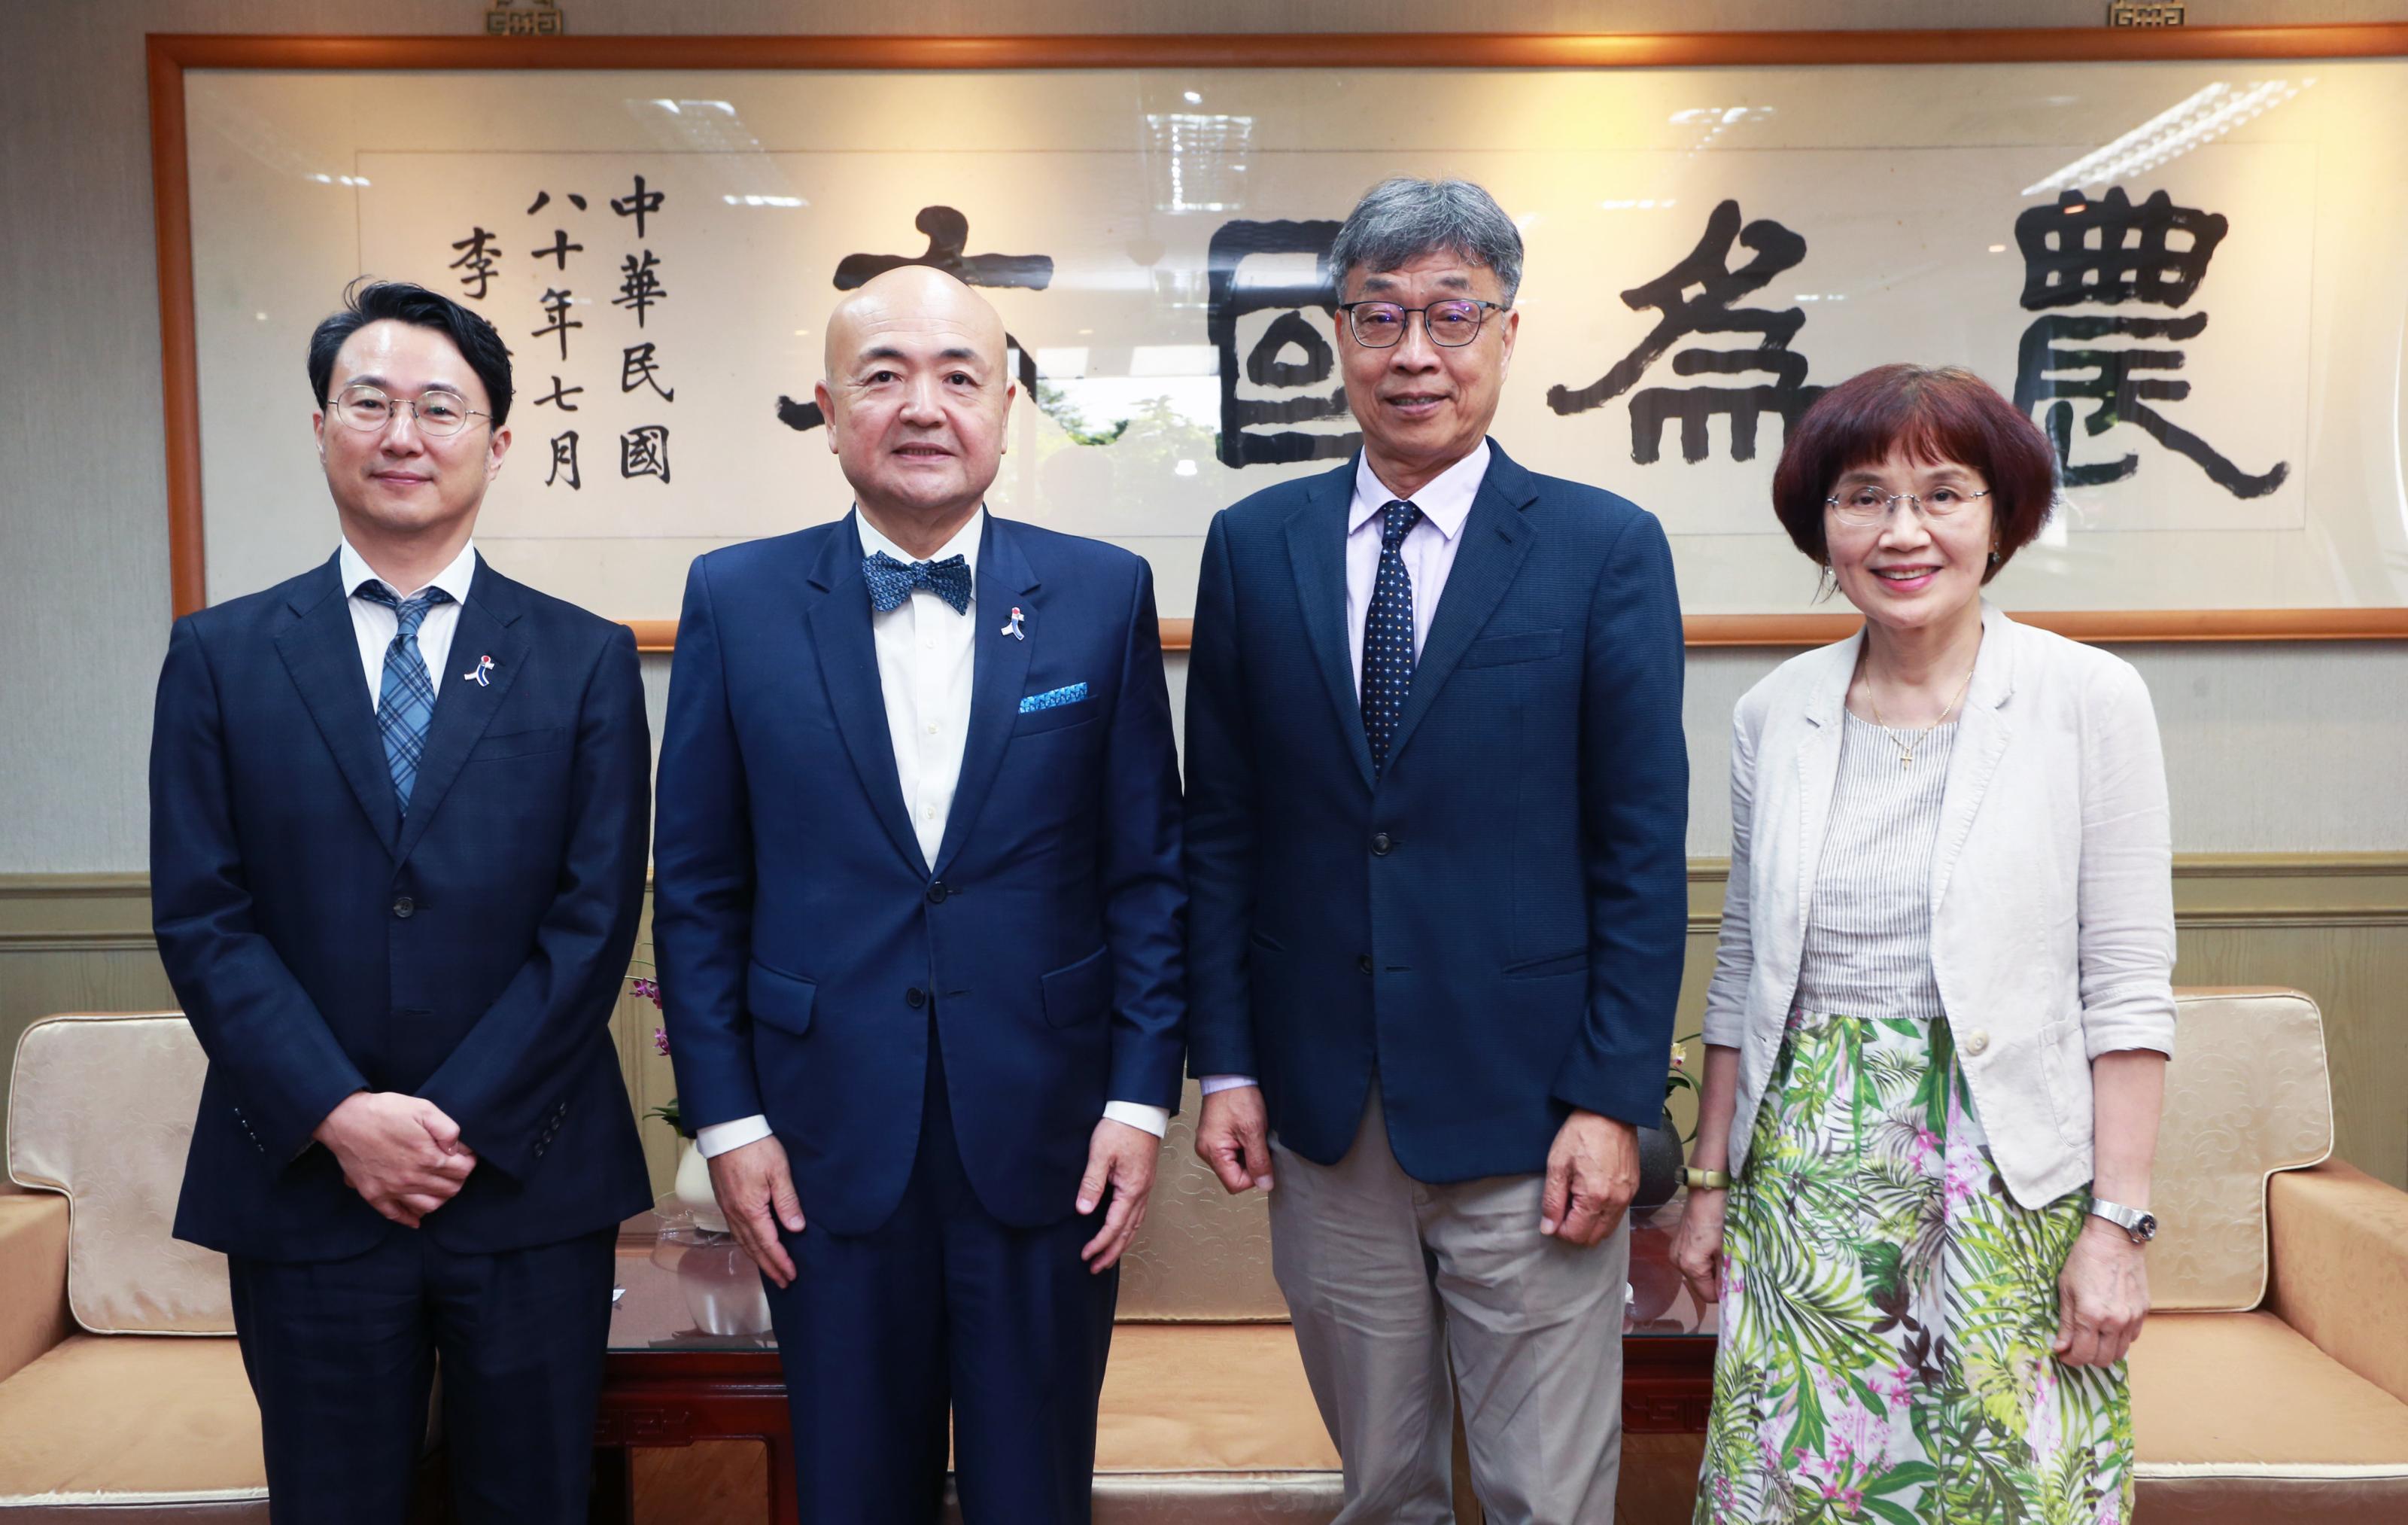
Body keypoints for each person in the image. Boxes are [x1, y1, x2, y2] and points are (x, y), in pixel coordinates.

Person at [1182, 176, 1689, 1523]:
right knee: (1381, 1487)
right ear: (1337, 333)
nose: (1417, 352)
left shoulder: (1603, 552)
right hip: (1327, 1113)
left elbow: (1641, 848)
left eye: (1453, 314)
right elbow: (1221, 829)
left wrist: (1612, 1098)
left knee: (1544, 1496)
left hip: (1534, 1120)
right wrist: (1224, 1059)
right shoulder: (1252, 549)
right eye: (1382, 315)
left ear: (1508, 333)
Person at [652, 265, 1185, 1523]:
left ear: (1007, 406)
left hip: (1052, 1131)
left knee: (1034, 1488)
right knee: (850, 1488)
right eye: (883, 375)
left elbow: (1147, 871)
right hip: (818, 1138)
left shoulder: (1102, 594)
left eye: (958, 376)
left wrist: (1137, 1099)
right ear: (831, 411)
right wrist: (728, 1126)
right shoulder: (737, 598)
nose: (923, 405)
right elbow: (701, 890)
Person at [149, 280, 654, 1523]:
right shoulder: (220, 653)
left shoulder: (583, 655)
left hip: (526, 1174)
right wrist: (339, 1113)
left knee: (534, 1499)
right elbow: (203, 915)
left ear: (499, 439)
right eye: (367, 402)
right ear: (321, 426)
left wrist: (458, 1120)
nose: (402, 434)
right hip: (306, 1180)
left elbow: (593, 921)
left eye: (440, 406)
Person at [1671, 364, 2175, 1523]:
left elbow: (2129, 986)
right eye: (1863, 497)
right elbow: (1746, 968)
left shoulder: (2088, 698)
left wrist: (2118, 1224)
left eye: (1942, 493)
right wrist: (1708, 1184)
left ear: (2000, 518)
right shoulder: (1775, 713)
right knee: (1806, 1487)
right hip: (1807, 1180)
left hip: (2006, 1175)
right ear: (1823, 524)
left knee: (2001, 1488)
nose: (1903, 531)